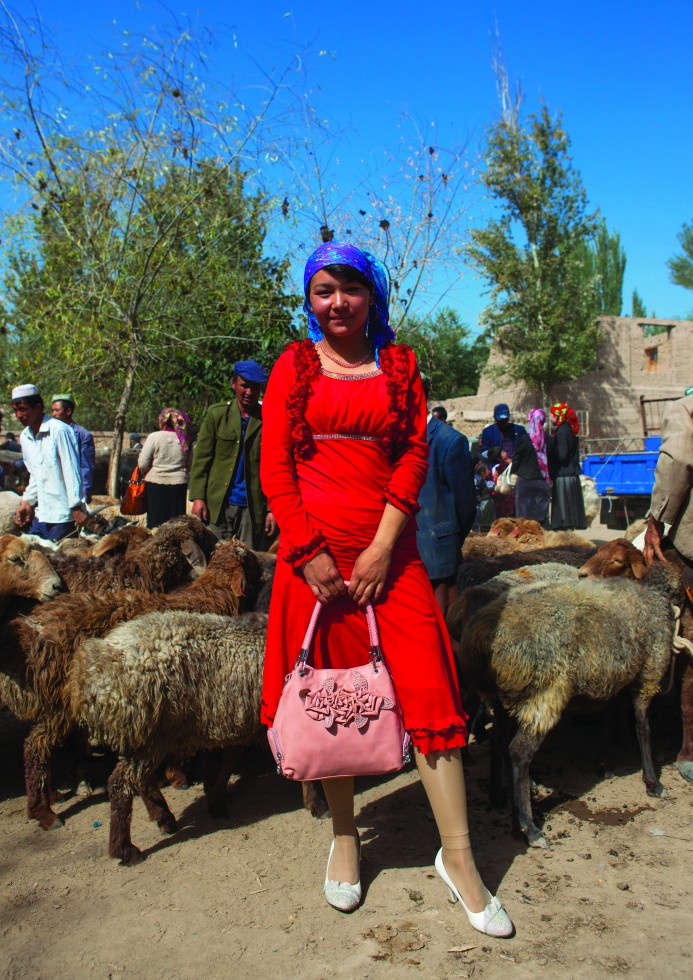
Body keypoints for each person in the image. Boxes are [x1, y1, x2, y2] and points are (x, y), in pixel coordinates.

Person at [259, 241, 513, 936]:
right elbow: (274, 465)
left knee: (431, 693)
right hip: (310, 564)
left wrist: (379, 546)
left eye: (348, 288)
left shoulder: (401, 366)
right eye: (321, 291)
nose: (335, 302)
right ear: (309, 301)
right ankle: (346, 837)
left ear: (372, 294)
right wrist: (307, 551)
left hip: (388, 559)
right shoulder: (294, 365)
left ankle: (457, 857)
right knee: (331, 697)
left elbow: (410, 456)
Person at [643, 389, 693, 784]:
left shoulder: (685, 408)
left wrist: (657, 521)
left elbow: (678, 462)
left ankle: (688, 747)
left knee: (685, 636)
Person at [189, 360, 276, 548]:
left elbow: (275, 467)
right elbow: (201, 460)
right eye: (245, 386)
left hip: (252, 508)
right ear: (233, 384)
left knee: (247, 562)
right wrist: (198, 498)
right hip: (218, 505)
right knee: (213, 561)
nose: (250, 392)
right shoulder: (217, 415)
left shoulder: (269, 419)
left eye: (255, 387)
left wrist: (272, 509)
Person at [417, 379, 476, 614]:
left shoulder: (449, 441)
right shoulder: (394, 439)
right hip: (403, 557)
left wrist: (447, 540)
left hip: (437, 560)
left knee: (442, 628)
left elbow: (466, 505)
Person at [11, 383, 86, 542]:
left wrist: (76, 506)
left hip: (63, 516)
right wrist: (27, 502)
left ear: (38, 407)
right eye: (16, 410)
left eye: (23, 409)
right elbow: (35, 475)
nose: (18, 415)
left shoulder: (59, 430)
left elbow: (71, 470)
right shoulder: (25, 437)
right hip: (41, 514)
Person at [137, 408, 193, 529]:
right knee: (176, 526)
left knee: (155, 525)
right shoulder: (185, 440)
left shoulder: (154, 437)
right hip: (178, 487)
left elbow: (142, 463)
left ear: (162, 421)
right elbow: (190, 465)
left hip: (155, 486)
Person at [546, 402, 587, 530]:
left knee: (564, 515)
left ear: (558, 416)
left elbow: (562, 455)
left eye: (552, 415)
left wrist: (551, 451)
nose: (551, 418)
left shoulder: (562, 432)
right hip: (571, 475)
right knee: (570, 514)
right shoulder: (569, 430)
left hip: (564, 476)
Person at [50, 393, 96, 503]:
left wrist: (84, 493)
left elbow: (86, 467)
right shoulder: (49, 433)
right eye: (52, 411)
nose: (53, 414)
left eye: (57, 410)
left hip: (73, 491)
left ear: (68, 411)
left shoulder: (83, 435)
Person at [509, 408, 551, 525]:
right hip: (541, 482)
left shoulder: (524, 440)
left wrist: (513, 473)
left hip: (525, 482)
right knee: (541, 519)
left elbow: (517, 459)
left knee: (523, 520)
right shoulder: (549, 440)